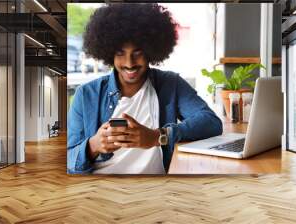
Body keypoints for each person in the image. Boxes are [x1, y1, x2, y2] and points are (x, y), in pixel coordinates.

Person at [67, 3, 222, 174]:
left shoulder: (170, 84)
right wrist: (93, 145)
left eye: (137, 52)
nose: (129, 63)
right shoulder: (86, 95)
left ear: (151, 50)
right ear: (108, 53)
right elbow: (69, 160)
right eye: (120, 53)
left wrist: (158, 136)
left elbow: (211, 122)